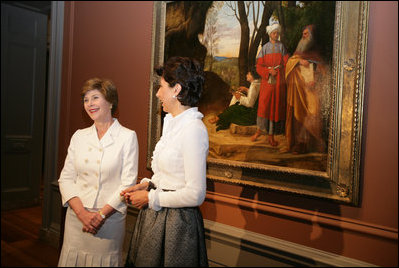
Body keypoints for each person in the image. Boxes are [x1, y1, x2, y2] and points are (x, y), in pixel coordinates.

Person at [121, 56, 209, 267]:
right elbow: (169, 174)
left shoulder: (193, 130)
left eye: (161, 87)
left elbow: (196, 194)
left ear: (176, 90)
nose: (158, 93)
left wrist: (151, 199)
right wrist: (146, 184)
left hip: (177, 225)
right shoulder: (172, 123)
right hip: (157, 217)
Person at [57, 78, 139, 267]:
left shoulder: (127, 137)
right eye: (86, 99)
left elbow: (127, 183)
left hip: (109, 220)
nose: (89, 104)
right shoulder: (79, 136)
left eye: (95, 97)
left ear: (110, 102)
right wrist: (82, 213)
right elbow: (66, 178)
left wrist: (100, 216)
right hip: (77, 219)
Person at [284, 25, 327, 154]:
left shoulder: (317, 53)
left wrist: (316, 80)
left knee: (312, 115)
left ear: (312, 36)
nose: (303, 36)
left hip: (313, 90)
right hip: (299, 91)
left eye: (306, 34)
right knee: (299, 116)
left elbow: (324, 71)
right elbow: (289, 64)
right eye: (303, 34)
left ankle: (311, 145)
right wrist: (298, 62)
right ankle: (299, 144)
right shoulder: (297, 55)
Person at [252, 23, 289, 146]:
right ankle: (258, 131)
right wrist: (268, 72)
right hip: (267, 82)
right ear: (270, 34)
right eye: (274, 33)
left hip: (278, 81)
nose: (276, 35)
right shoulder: (265, 48)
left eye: (277, 33)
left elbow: (287, 63)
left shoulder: (282, 47)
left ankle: (271, 136)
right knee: (264, 106)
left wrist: (277, 71)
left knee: (274, 108)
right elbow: (258, 66)